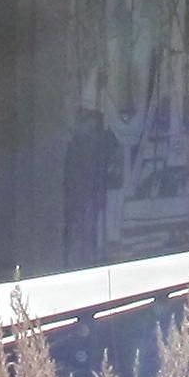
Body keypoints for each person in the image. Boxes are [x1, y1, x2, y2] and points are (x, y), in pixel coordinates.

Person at [60, 101, 124, 268]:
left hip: (89, 193)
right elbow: (71, 172)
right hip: (79, 194)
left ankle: (85, 259)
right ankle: (78, 259)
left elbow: (114, 158)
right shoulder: (77, 142)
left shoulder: (98, 139)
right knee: (79, 226)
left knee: (87, 226)